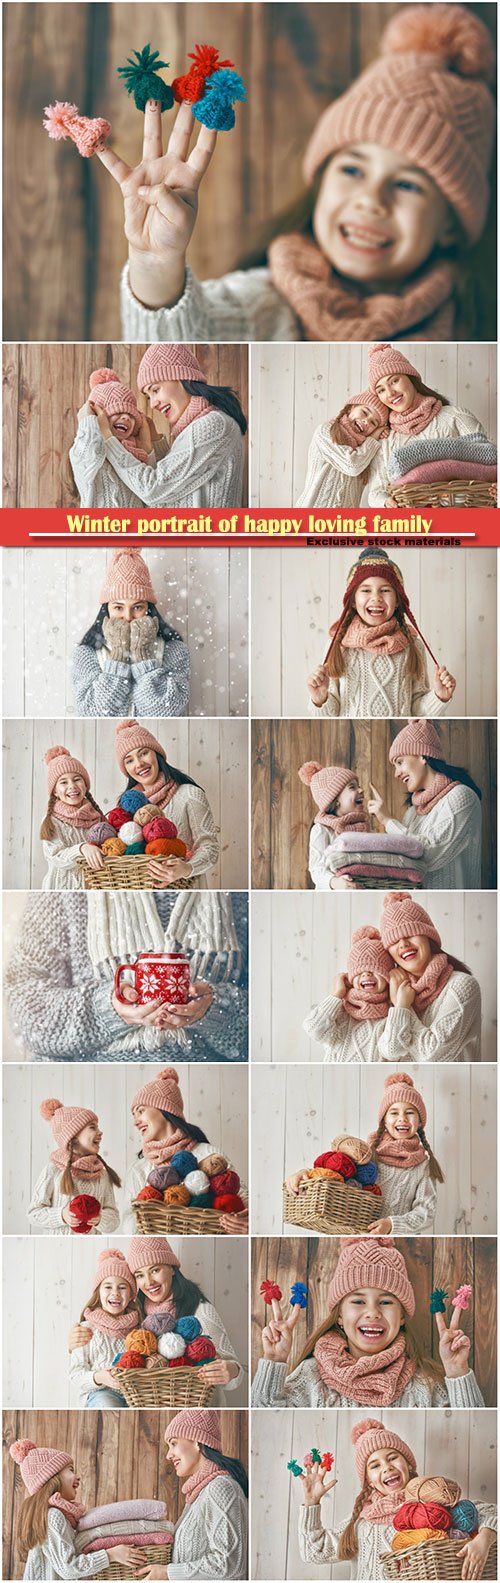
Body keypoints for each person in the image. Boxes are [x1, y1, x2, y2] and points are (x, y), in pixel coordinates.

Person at [95, 7, 496, 343]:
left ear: (451, 225)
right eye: (353, 169)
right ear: (321, 184)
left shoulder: (477, 331)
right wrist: (155, 262)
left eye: (408, 184)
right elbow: (178, 344)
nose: (371, 200)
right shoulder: (262, 306)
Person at [5, 889, 247, 1062]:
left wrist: (215, 1010)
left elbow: (268, 1025)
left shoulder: (236, 893)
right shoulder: (69, 884)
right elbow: (24, 1007)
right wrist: (106, 1010)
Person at [251, 1236, 485, 1407]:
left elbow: (476, 1429)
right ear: (340, 1316)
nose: (373, 1313)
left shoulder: (424, 1384)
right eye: (358, 1302)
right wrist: (273, 1359)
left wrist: (457, 1371)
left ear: (402, 1316)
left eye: (385, 1302)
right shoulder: (310, 1377)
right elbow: (261, 1413)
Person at [297, 1417, 497, 1580]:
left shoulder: (433, 1506)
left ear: (409, 1465)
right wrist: (311, 1503)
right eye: (375, 1466)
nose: (387, 1467)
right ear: (370, 1482)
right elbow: (314, 1552)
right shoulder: (361, 1524)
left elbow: (491, 1512)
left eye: (393, 1457)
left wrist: (485, 1539)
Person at [68, 1237, 245, 1410]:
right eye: (140, 1275)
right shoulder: (138, 1317)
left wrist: (231, 1370)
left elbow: (236, 1373)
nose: (149, 1282)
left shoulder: (200, 1311)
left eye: (155, 1270)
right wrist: (75, 1343)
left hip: (197, 1406)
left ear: (172, 1268)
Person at [307, 547, 455, 718]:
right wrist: (320, 698)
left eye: (385, 590)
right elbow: (330, 715)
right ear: (353, 601)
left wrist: (439, 697)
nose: (376, 597)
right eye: (366, 590)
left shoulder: (413, 646)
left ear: (398, 600)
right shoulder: (338, 645)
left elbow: (417, 710)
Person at [93, 345, 246, 509]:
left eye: (156, 390)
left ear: (183, 377)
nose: (153, 403)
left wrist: (108, 439)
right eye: (148, 396)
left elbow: (153, 490)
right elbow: (173, 488)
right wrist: (154, 443)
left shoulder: (214, 424)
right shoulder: (195, 427)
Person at [122, 1066, 248, 1235]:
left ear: (164, 1108)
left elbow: (243, 1200)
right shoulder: (139, 1169)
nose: (136, 1122)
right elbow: (127, 1222)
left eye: (141, 1111)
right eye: (134, 1115)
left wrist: (243, 1222)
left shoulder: (209, 1155)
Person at [366, 344, 492, 506]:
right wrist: (385, 503)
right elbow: (375, 492)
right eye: (381, 390)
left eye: (394, 381)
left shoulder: (455, 416)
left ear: (410, 377)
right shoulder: (387, 440)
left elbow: (490, 460)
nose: (390, 393)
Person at [72, 545, 189, 717]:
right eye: (119, 607)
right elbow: (95, 713)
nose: (128, 617)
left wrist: (142, 655)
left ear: (148, 610)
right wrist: (119, 654)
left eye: (137, 607)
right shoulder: (86, 654)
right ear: (107, 610)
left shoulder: (175, 651)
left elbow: (163, 712)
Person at [368, 719, 483, 889]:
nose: (396, 773)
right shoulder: (412, 812)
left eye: (400, 762)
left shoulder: (462, 797)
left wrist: (387, 821)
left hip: (456, 906)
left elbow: (428, 854)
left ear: (422, 754)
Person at [135, 1411, 248, 1580]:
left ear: (196, 1441)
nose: (168, 1454)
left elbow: (229, 1562)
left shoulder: (221, 1487)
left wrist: (167, 1572)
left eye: (173, 1443)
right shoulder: (199, 1493)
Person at [9, 1437, 137, 1578]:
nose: (77, 1476)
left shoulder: (54, 1515)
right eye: (71, 1470)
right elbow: (68, 1568)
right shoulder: (53, 1516)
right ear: (52, 1477)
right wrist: (111, 1554)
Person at [114, 718, 219, 889]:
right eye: (129, 760)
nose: (139, 764)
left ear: (157, 753)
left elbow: (210, 846)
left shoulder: (190, 794)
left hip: (187, 891)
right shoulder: (126, 807)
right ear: (125, 769)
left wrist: (187, 868)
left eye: (143, 753)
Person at [377, 892, 481, 1060]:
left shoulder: (462, 986)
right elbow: (390, 1052)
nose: (403, 943)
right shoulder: (395, 989)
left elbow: (432, 1055)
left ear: (428, 936)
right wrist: (399, 1004)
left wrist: (403, 1007)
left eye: (410, 933)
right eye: (394, 940)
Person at [27, 1097, 120, 1233]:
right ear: (73, 1137)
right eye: (93, 1127)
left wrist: (101, 1218)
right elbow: (33, 1214)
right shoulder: (53, 1170)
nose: (100, 1132)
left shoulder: (101, 1175)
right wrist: (61, 1215)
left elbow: (114, 1220)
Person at [302, 925, 391, 1062]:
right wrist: (337, 994)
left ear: (387, 977)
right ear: (350, 978)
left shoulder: (392, 1013)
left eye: (374, 969)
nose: (366, 974)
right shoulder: (342, 1011)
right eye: (359, 972)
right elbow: (313, 1028)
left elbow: (394, 1050)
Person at [69, 1248, 139, 1409]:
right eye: (108, 1287)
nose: (115, 1293)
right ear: (98, 1292)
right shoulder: (86, 1330)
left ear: (131, 1295)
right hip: (99, 1393)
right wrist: (100, 1377)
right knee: (108, 1405)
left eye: (122, 1287)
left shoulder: (138, 1330)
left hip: (135, 1395)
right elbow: (75, 1375)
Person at [295, 392, 387, 508]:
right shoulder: (325, 431)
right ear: (352, 407)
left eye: (373, 422)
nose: (366, 421)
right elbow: (352, 465)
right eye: (364, 412)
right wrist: (374, 438)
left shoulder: (366, 451)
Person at [40, 746, 105, 891]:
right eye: (63, 782)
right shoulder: (53, 819)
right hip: (62, 888)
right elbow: (54, 856)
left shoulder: (96, 817)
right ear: (55, 791)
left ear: (85, 786)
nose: (72, 786)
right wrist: (81, 849)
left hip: (94, 888)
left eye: (77, 779)